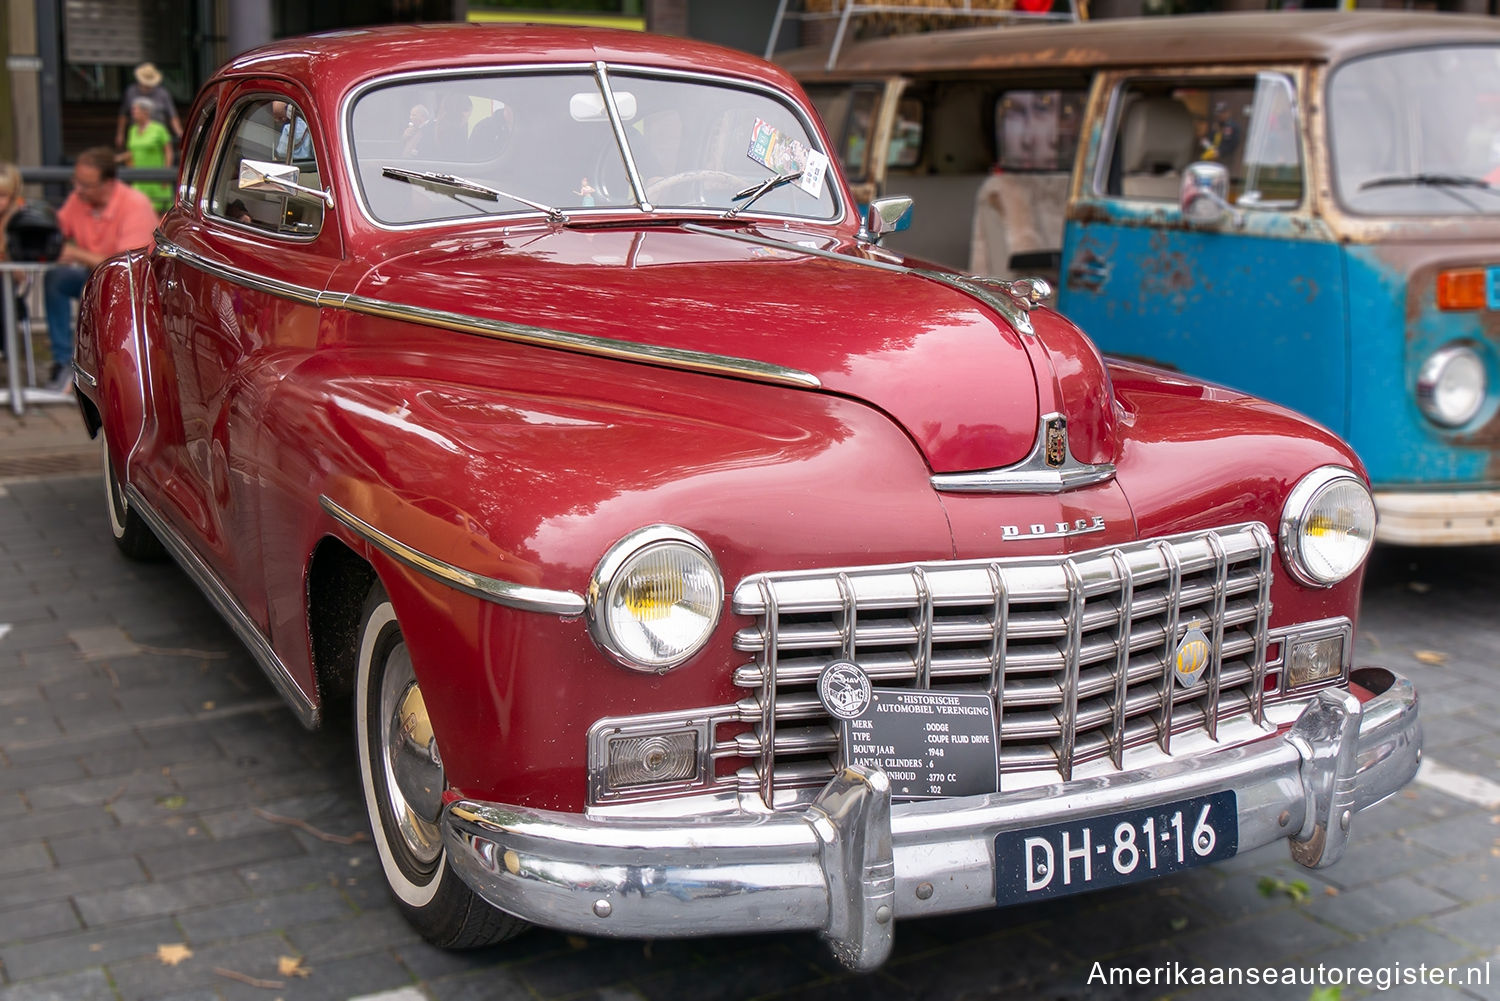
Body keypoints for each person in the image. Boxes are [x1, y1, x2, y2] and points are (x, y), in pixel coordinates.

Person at [43, 147, 158, 393]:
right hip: (92, 276)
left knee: (103, 290)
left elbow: (127, 268)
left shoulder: (134, 205)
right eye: (77, 182)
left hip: (131, 286)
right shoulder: (79, 200)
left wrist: (75, 253)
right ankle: (62, 360)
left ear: (108, 184)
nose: (78, 190)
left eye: (86, 184)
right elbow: (55, 231)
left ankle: (101, 369)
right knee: (56, 279)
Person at [119, 97, 174, 213]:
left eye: (136, 110)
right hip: (139, 179)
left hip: (157, 178)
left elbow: (168, 152)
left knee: (158, 212)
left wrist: (166, 174)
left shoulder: (159, 129)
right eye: (133, 110)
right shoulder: (132, 130)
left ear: (146, 112)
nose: (133, 113)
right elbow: (131, 153)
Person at [115, 62, 181, 149]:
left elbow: (172, 115)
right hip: (137, 132)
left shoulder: (163, 93)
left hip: (158, 134)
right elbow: (123, 114)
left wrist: (180, 133)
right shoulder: (130, 92)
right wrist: (120, 134)